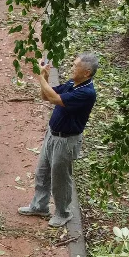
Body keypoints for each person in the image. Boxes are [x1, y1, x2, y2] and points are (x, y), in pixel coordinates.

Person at [18, 53, 99, 228]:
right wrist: (45, 77)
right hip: (52, 134)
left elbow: (55, 99)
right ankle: (40, 206)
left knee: (60, 178)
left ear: (86, 73)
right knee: (42, 172)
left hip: (66, 141)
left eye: (75, 65)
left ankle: (63, 213)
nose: (72, 66)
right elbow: (47, 96)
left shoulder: (86, 93)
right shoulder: (72, 83)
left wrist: (40, 77)